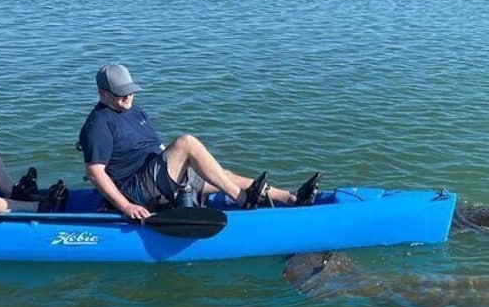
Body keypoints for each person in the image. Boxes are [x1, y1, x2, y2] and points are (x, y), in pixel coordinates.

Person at [78, 63, 321, 220]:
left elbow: (158, 148)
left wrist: (191, 170)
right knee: (187, 142)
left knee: (222, 175)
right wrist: (125, 207)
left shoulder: (135, 110)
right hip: (135, 190)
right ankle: (241, 198)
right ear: (103, 94)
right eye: (121, 93)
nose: (128, 96)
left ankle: (290, 198)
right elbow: (95, 172)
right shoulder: (99, 123)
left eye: (129, 90)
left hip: (158, 177)